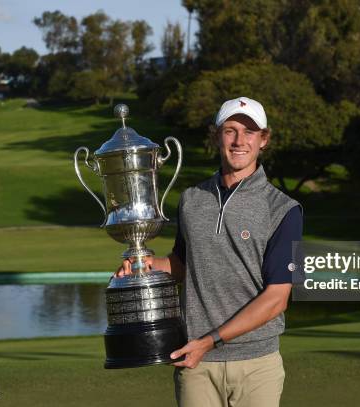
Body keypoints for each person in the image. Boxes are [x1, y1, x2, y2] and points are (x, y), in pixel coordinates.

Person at [115, 96, 303, 407]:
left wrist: (210, 341)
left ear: (263, 140)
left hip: (256, 364)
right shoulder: (192, 199)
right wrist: (144, 265)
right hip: (197, 363)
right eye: (230, 130)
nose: (239, 140)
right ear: (216, 136)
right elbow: (183, 265)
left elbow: (277, 298)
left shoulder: (283, 209)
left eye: (250, 132)